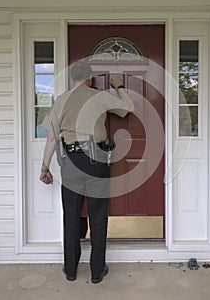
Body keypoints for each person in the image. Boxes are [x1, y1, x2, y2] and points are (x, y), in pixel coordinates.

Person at [39, 60, 134, 283]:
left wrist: (44, 168)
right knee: (98, 217)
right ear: (90, 79)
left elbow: (52, 139)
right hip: (97, 161)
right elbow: (129, 108)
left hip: (70, 163)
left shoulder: (61, 100)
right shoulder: (99, 97)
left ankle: (70, 269)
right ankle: (97, 271)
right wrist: (119, 87)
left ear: (72, 79)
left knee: (71, 217)